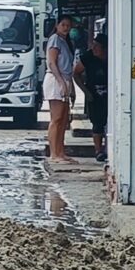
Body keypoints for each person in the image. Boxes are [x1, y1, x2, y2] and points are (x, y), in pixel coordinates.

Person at [44, 13, 76, 162]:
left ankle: (60, 151)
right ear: (57, 25)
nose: (66, 28)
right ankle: (53, 153)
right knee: (56, 118)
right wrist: (61, 82)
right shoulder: (55, 40)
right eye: (63, 25)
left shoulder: (65, 42)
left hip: (66, 79)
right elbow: (52, 63)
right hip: (56, 79)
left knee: (64, 119)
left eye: (68, 26)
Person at [75, 30, 108, 163]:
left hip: (110, 93)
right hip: (93, 94)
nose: (93, 48)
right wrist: (86, 92)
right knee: (97, 123)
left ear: (105, 48)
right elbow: (75, 73)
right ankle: (98, 151)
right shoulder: (88, 57)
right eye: (93, 45)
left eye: (97, 46)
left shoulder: (112, 56)